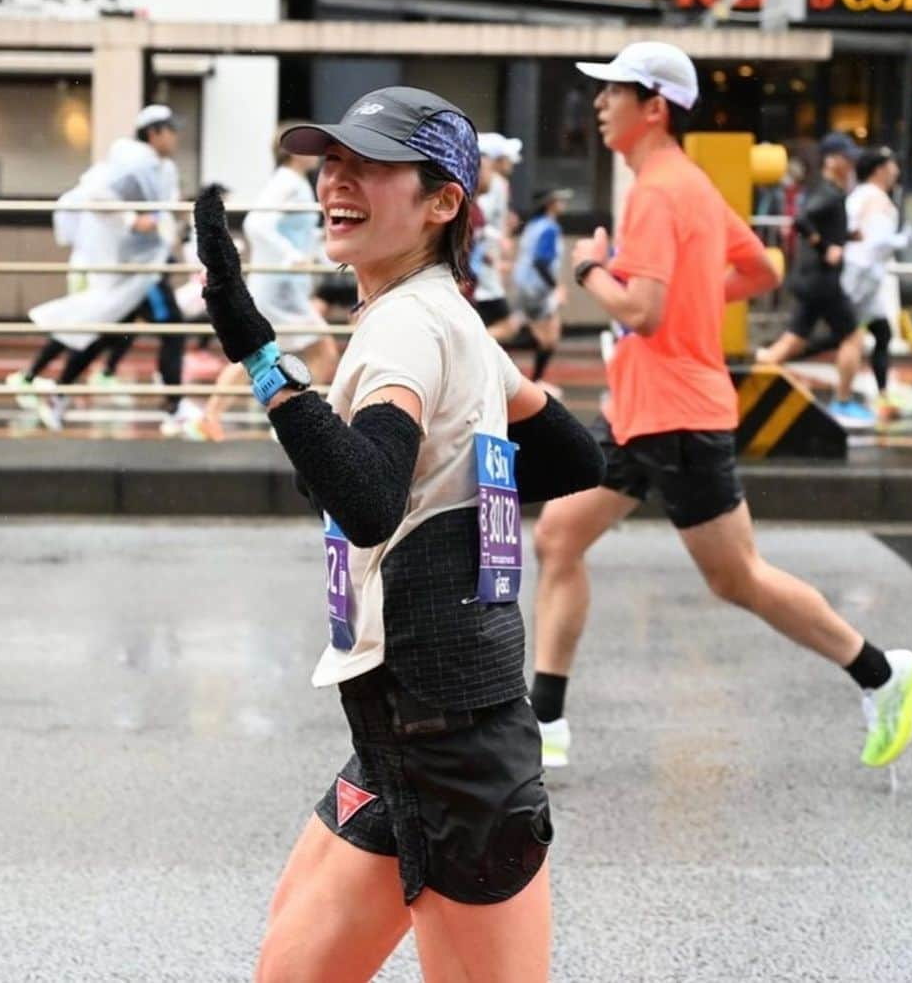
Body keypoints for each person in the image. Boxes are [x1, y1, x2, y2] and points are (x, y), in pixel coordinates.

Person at [194, 86, 604, 981]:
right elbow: (574, 456)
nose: (336, 178)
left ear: (443, 201)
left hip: (452, 748)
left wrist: (260, 355)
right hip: (411, 729)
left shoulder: (408, 329)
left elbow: (369, 498)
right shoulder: (446, 314)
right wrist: (451, 492)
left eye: (370, 164)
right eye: (331, 159)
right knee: (290, 965)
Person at [526, 41, 912, 775]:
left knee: (736, 575)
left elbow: (642, 311)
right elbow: (761, 267)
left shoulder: (657, 188)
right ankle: (545, 722)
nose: (598, 102)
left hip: (675, 412)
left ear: (653, 108)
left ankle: (882, 672)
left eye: (613, 90)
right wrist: (690, 299)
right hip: (642, 408)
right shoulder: (692, 184)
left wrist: (590, 267)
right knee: (558, 537)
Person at [11, 105, 196, 435]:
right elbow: (97, 196)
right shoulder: (136, 163)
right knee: (172, 330)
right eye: (170, 129)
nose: (176, 136)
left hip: (141, 266)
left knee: (107, 331)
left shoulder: (156, 166)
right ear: (154, 132)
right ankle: (174, 406)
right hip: (138, 270)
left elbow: (161, 213)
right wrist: (132, 220)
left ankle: (58, 393)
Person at [187, 126, 338, 442]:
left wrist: (319, 256)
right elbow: (258, 223)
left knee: (259, 355)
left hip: (284, 288)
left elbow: (298, 234)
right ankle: (294, 420)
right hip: (277, 289)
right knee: (313, 350)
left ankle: (236, 416)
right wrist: (291, 255)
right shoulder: (288, 183)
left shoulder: (291, 183)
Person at [756, 132, 876, 428]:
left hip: (814, 280)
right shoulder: (828, 192)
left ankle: (748, 387)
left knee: (790, 343)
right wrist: (826, 248)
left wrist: (846, 237)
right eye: (846, 158)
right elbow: (801, 220)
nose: (851, 164)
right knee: (853, 338)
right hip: (822, 281)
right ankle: (843, 402)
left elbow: (817, 223)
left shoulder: (831, 191)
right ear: (832, 161)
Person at [798, 147, 912, 420]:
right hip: (859, 274)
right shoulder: (873, 198)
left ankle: (881, 393)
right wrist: (903, 240)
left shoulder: (861, 195)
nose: (896, 171)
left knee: (879, 333)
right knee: (847, 334)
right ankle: (801, 362)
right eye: (892, 165)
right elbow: (873, 241)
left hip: (864, 274)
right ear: (879, 169)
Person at [511, 187, 572, 386]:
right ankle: (534, 380)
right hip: (537, 289)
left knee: (546, 335)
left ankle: (535, 379)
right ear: (549, 204)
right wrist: (555, 287)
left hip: (526, 286)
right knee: (548, 337)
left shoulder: (532, 226)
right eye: (558, 200)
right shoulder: (549, 228)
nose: (563, 204)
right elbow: (541, 262)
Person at [473, 132, 522, 341]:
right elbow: (480, 222)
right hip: (482, 271)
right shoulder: (494, 184)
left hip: (485, 267)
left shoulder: (498, 184)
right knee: (506, 325)